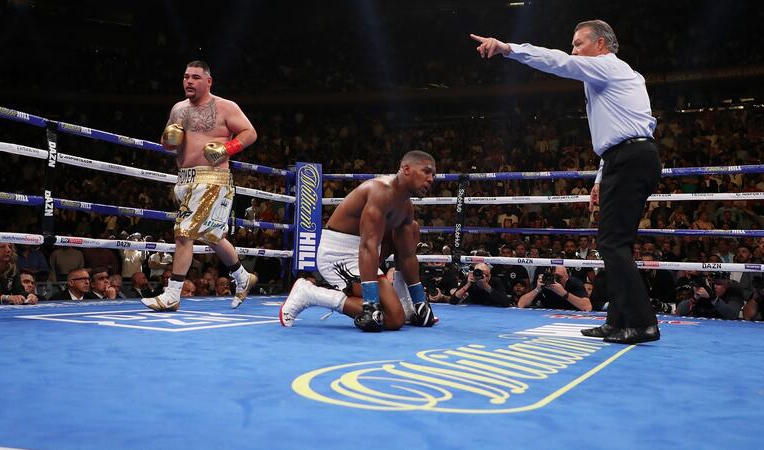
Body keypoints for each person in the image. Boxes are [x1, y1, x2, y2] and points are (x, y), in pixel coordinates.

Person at [471, 20, 661, 344]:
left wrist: (508, 49)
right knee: (617, 246)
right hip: (624, 158)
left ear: (600, 45)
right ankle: (617, 320)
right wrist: (600, 178)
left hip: (630, 160)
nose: (573, 50)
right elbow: (618, 132)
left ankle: (644, 324)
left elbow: (559, 62)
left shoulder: (607, 67)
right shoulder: (612, 76)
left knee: (612, 245)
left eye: (578, 43)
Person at [142, 60, 258, 312]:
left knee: (183, 233)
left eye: (195, 77)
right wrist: (168, 140)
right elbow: (167, 143)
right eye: (186, 77)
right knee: (211, 235)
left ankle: (172, 294)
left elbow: (249, 133)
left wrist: (228, 148)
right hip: (184, 178)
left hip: (212, 178)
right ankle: (242, 277)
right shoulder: (178, 109)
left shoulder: (225, 106)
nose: (189, 81)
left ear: (208, 81)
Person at [279, 150, 438, 331]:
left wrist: (420, 301)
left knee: (412, 229)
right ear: (406, 169)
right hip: (339, 255)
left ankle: (409, 306)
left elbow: (408, 255)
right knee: (394, 319)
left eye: (433, 174)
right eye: (426, 171)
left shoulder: (406, 207)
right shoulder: (381, 191)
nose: (431, 179)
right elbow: (367, 246)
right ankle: (310, 293)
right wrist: (371, 303)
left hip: (365, 253)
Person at [517, 266, 592, 311]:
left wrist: (564, 293)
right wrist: (537, 289)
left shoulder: (574, 283)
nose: (557, 280)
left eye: (559, 277)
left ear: (567, 277)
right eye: (554, 276)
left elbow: (587, 307)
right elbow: (521, 304)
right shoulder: (547, 283)